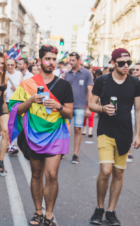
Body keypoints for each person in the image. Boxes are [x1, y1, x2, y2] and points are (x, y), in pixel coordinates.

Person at [8, 45, 73, 226]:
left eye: (54, 59)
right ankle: (38, 211)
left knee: (52, 174)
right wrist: (30, 101)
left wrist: (58, 106)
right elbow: (15, 109)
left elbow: (69, 113)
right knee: (37, 174)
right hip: (34, 134)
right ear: (40, 60)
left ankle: (49, 214)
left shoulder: (64, 85)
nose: (51, 62)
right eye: (47, 59)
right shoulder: (27, 84)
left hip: (56, 133)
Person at [89, 48, 140, 225]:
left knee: (118, 172)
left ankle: (111, 211)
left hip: (125, 133)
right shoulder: (102, 81)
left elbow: (139, 109)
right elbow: (91, 104)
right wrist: (103, 109)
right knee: (106, 171)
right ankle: (99, 208)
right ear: (113, 63)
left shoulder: (135, 83)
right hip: (106, 131)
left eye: (129, 63)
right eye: (121, 63)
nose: (126, 66)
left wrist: (138, 135)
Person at [65, 52, 93, 164]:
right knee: (65, 130)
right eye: (70, 60)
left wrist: (89, 107)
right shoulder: (67, 74)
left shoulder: (87, 73)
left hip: (81, 106)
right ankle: (62, 151)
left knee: (77, 129)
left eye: (73, 60)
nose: (71, 62)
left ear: (78, 60)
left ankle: (75, 154)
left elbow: (90, 90)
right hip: (68, 106)